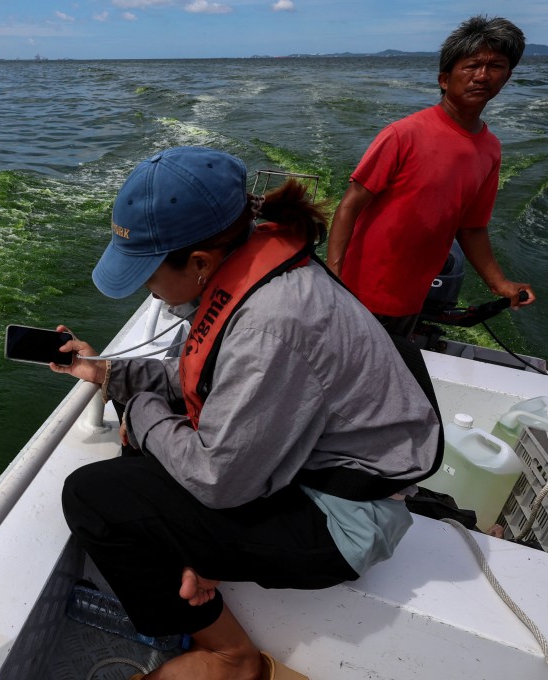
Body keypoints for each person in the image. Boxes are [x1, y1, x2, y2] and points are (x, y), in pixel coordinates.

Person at [51, 146, 440, 680]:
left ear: (201, 263)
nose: (146, 290)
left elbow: (218, 481)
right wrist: (110, 373)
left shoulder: (268, 323)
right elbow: (203, 377)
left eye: (146, 274)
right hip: (305, 466)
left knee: (94, 496)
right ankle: (198, 561)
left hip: (341, 518)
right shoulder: (252, 275)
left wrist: (138, 408)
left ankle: (231, 657)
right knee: (143, 454)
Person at [327, 15, 535, 337]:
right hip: (358, 293)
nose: (482, 76)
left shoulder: (490, 149)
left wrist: (499, 283)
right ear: (444, 79)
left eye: (496, 66)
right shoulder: (403, 134)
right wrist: (334, 274)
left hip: (411, 298)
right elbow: (351, 203)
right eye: (471, 65)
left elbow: (472, 227)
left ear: (507, 77)